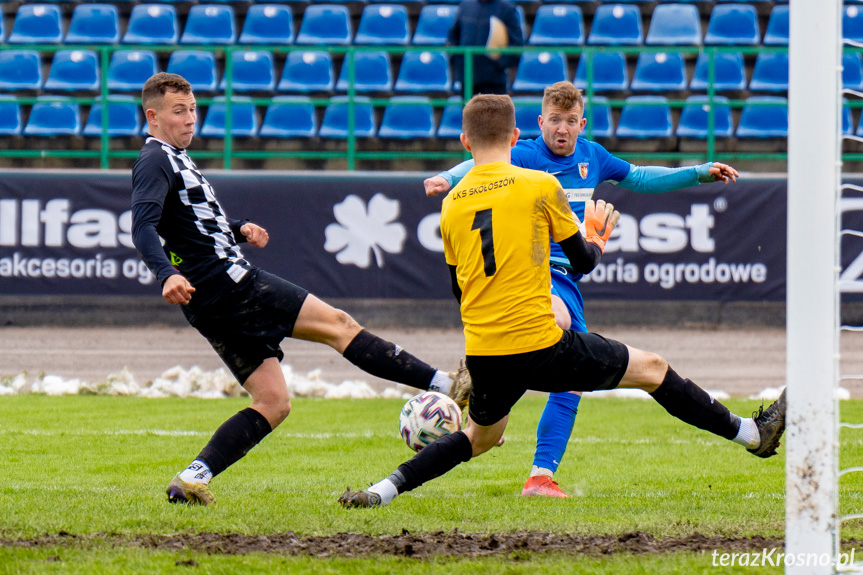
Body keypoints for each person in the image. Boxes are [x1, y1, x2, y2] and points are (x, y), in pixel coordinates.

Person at [338, 94, 785, 510]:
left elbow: (460, 290)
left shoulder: (452, 206)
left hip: (486, 350)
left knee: (479, 437)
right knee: (653, 370)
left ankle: (382, 491)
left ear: (464, 140)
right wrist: (595, 236)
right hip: (539, 337)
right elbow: (584, 261)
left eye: (572, 122)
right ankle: (753, 435)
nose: (563, 129)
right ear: (519, 137)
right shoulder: (538, 184)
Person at [130, 73, 470, 506]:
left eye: (193, 109)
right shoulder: (155, 159)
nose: (190, 119)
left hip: (208, 299)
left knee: (273, 402)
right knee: (339, 325)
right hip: (229, 284)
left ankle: (192, 477)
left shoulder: (173, 157)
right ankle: (445, 384)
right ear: (153, 116)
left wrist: (237, 230)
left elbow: (188, 225)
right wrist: (166, 274)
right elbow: (142, 226)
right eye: (179, 111)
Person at [424, 81, 741, 498]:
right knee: (556, 323)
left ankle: (539, 476)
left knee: (569, 382)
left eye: (570, 121)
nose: (562, 129)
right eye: (554, 120)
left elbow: (642, 178)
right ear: (540, 123)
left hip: (571, 274)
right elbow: (475, 165)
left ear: (581, 124)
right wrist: (446, 177)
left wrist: (698, 173)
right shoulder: (523, 154)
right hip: (534, 271)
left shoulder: (594, 155)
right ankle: (488, 391)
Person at [447, 0, 524, 95]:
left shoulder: (506, 9)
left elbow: (517, 43)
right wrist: (458, 61)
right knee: (468, 109)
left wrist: (500, 62)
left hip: (493, 81)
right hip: (467, 79)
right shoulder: (465, 6)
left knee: (493, 109)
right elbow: (453, 36)